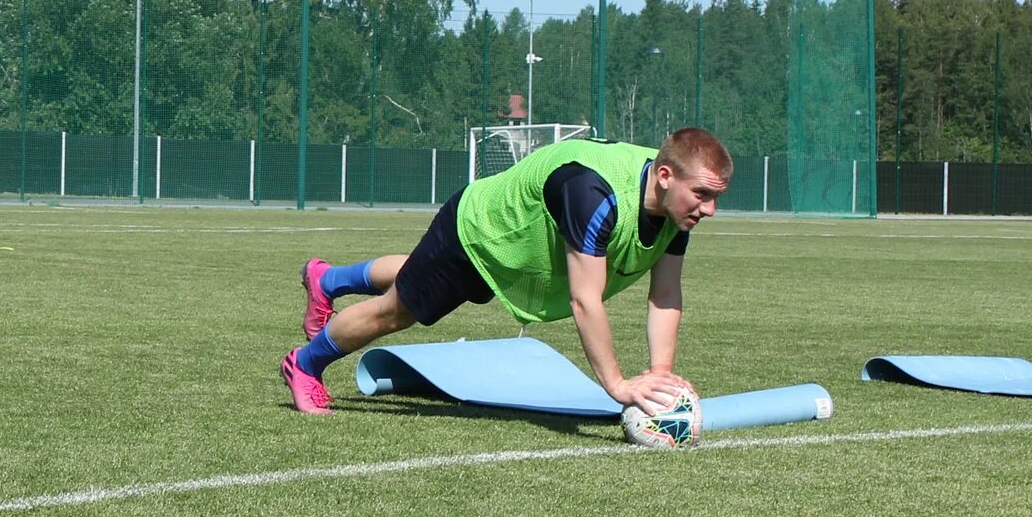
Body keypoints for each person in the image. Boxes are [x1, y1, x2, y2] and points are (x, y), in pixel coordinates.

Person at [283, 127, 731, 419]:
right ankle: (305, 364)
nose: (709, 210)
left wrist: (660, 376)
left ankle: (328, 280)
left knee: (415, 276)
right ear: (666, 175)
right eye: (703, 195)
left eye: (716, 197)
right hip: (481, 232)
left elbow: (665, 295)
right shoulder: (595, 195)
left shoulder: (677, 209)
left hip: (520, 254)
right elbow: (585, 300)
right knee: (398, 311)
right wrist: (617, 385)